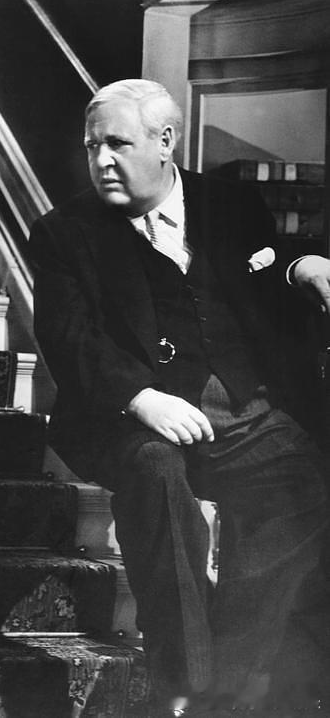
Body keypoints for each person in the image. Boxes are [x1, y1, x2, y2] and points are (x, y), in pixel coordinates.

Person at [26, 79, 330, 714]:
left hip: (241, 411)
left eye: (117, 144)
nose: (102, 160)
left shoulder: (230, 204)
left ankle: (225, 680)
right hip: (127, 419)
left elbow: (265, 263)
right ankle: (185, 681)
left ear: (165, 142)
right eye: (92, 147)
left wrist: (300, 265)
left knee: (309, 481)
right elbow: (68, 337)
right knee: (156, 471)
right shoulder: (63, 233)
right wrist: (140, 397)